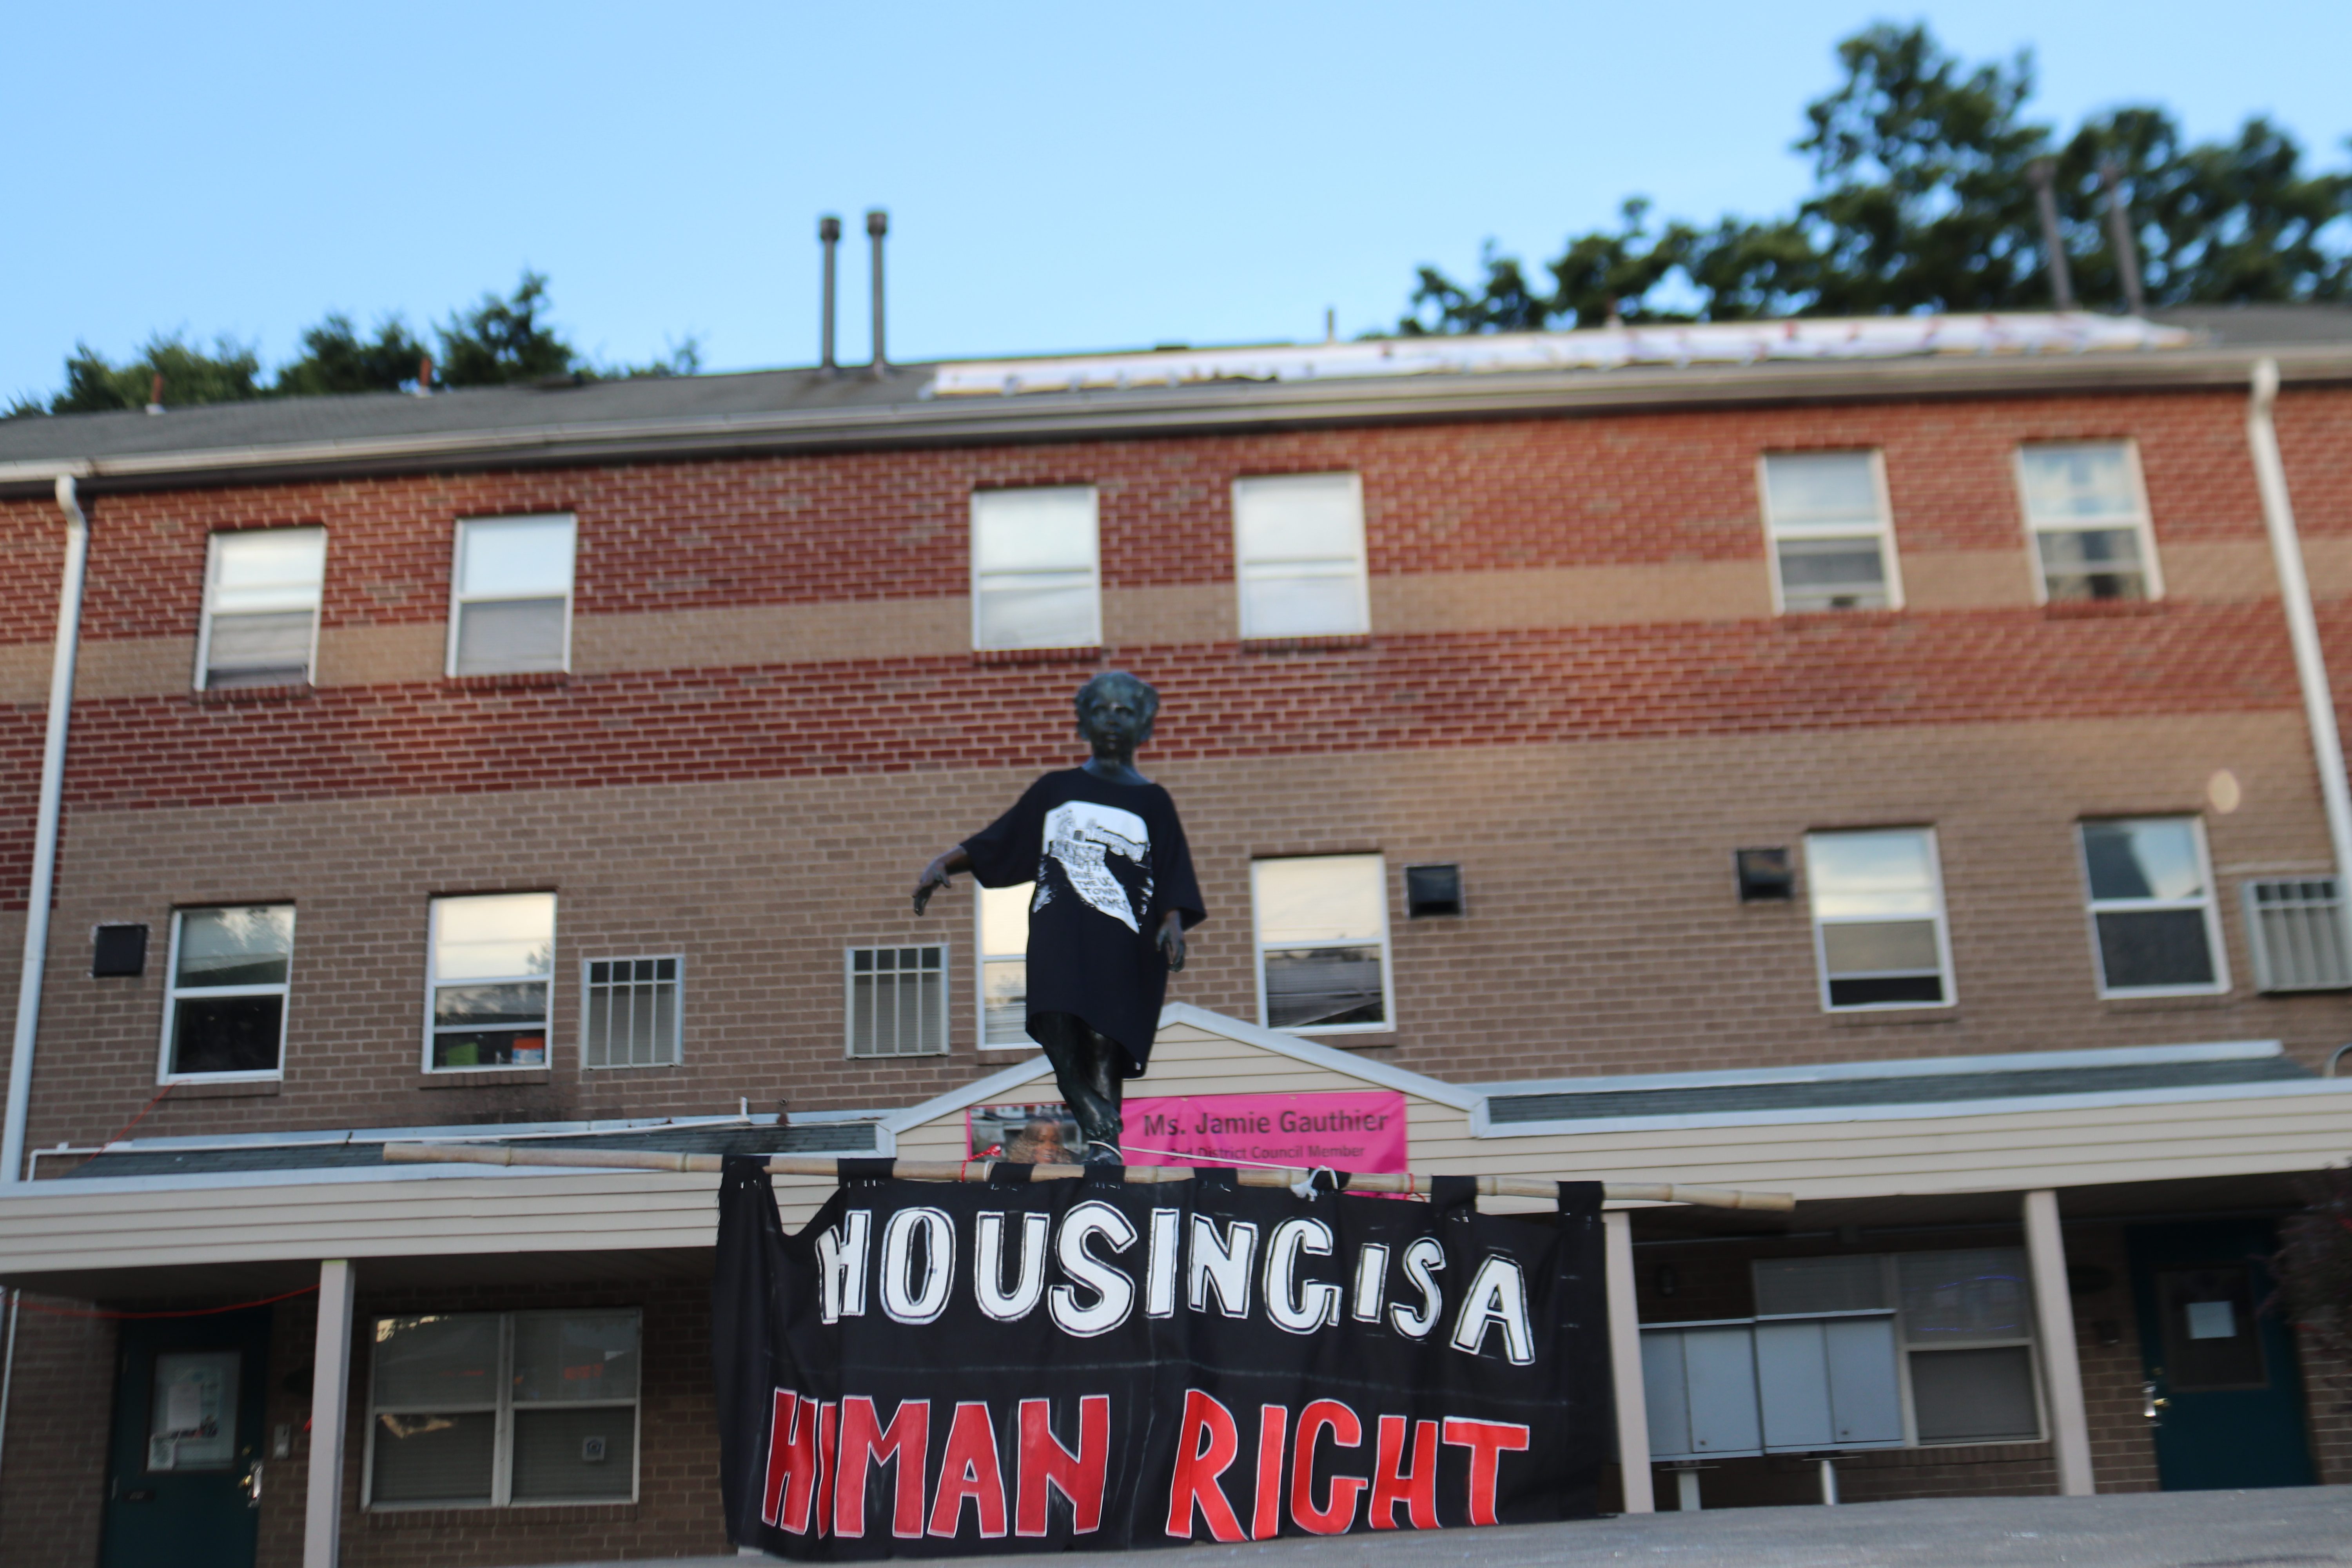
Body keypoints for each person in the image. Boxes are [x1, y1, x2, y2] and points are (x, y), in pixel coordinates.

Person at [913, 671, 1205, 1162]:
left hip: (1125, 937)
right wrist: (945, 861)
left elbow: (1172, 867)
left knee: (1104, 1036)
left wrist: (1173, 921)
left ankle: (1103, 1145)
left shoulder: (1152, 800)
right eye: (1102, 709)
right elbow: (1003, 838)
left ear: (1145, 726)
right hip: (1060, 932)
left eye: (1126, 712)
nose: (1113, 720)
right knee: (1055, 1017)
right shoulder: (1057, 789)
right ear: (1083, 720)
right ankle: (1083, 1098)